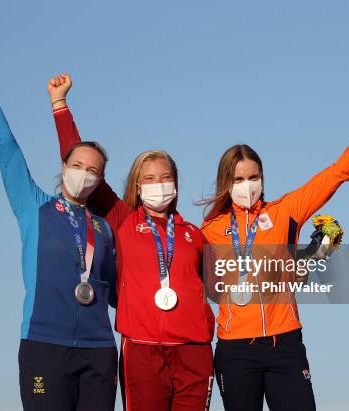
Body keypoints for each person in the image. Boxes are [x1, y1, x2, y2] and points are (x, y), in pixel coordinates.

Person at [200, 82, 349, 411]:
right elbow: (208, 286)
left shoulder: (286, 210)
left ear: (262, 178)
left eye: (253, 177)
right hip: (234, 349)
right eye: (238, 180)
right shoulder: (210, 229)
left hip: (286, 344)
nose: (246, 185)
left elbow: (339, 172)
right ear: (226, 183)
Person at [0, 50, 118, 411]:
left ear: (100, 180)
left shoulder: (104, 229)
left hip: (100, 353)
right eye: (78, 164)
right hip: (45, 345)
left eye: (93, 170)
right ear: (64, 166)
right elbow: (5, 143)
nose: (84, 173)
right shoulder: (34, 206)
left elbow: (122, 292)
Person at [48, 73, 216, 411]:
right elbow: (83, 164)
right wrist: (60, 105)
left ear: (177, 185)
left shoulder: (194, 234)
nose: (159, 184)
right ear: (137, 186)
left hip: (194, 350)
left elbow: (227, 280)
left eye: (166, 177)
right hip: (141, 349)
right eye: (149, 178)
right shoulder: (123, 220)